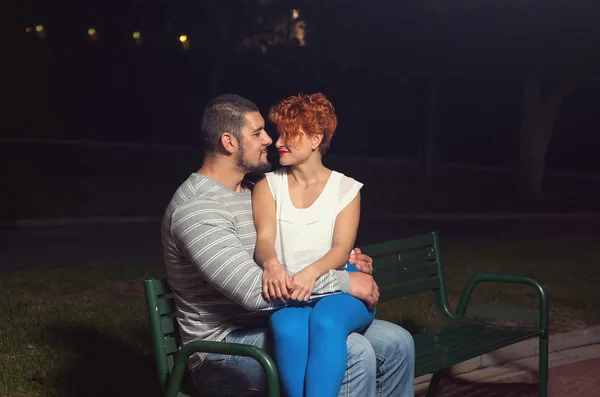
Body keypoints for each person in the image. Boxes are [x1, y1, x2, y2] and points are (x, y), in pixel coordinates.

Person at [161, 93, 415, 397]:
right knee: (355, 353)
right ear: (229, 143)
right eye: (257, 133)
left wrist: (348, 258)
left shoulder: (250, 192)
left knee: (397, 344)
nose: (269, 139)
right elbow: (255, 293)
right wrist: (344, 282)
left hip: (277, 317)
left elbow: (297, 240)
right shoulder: (198, 209)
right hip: (222, 348)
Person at [252, 92, 376, 397]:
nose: (279, 142)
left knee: (326, 319)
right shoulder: (269, 186)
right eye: (279, 133)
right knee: (287, 326)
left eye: (289, 134)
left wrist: (310, 273)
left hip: (338, 290)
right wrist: (271, 263)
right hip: (291, 293)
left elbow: (340, 250)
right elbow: (264, 240)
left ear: (315, 138)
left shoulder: (346, 189)